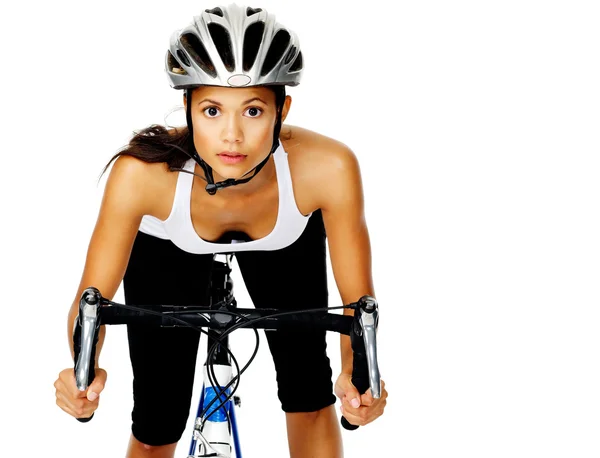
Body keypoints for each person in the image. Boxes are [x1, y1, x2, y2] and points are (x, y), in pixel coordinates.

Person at [54, 4, 387, 457]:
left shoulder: (327, 168)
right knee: (157, 416)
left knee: (309, 387)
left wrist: (357, 381)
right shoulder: (141, 176)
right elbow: (90, 299)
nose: (231, 136)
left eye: (252, 111)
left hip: (283, 238)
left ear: (281, 111)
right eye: (212, 110)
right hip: (166, 243)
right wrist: (81, 373)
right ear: (188, 107)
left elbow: (356, 308)